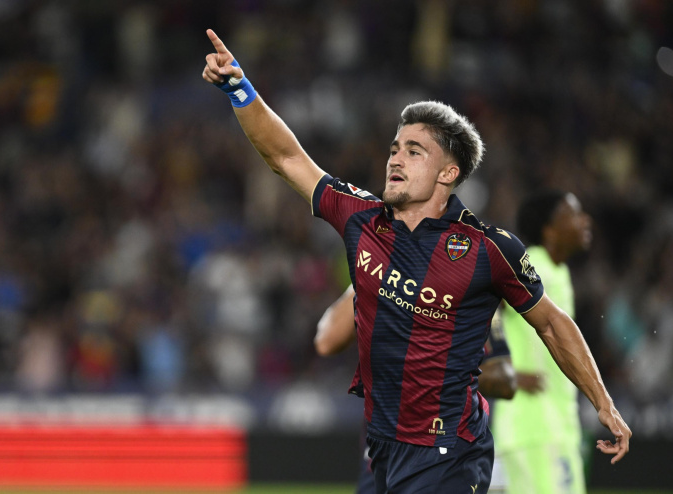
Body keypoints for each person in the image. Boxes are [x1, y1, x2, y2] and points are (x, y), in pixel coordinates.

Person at [201, 29, 630, 492]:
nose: (395, 160)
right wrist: (238, 87)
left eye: (413, 151)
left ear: (449, 173)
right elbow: (286, 157)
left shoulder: (488, 248)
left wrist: (603, 403)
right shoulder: (362, 218)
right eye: (393, 149)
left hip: (450, 454)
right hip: (381, 446)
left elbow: (551, 323)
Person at [316, 287, 517, 494]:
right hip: (387, 434)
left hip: (443, 439)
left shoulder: (468, 289)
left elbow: (504, 381)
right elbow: (326, 342)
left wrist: (431, 376)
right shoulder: (382, 276)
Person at [492, 191, 593, 494]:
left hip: (547, 428)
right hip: (536, 429)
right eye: (573, 214)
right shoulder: (533, 264)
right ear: (550, 230)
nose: (584, 220)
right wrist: (495, 361)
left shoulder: (556, 270)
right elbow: (480, 299)